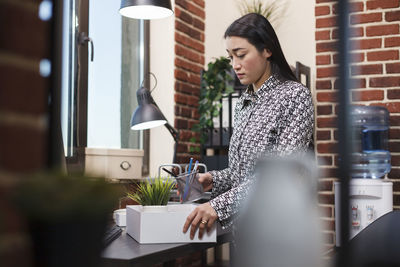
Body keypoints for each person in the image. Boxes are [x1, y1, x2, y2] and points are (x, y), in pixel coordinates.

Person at [183, 13, 314, 240]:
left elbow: (279, 177)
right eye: (230, 57)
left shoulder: (295, 96)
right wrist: (212, 180)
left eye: (241, 55)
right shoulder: (244, 102)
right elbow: (242, 174)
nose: (235, 65)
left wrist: (217, 206)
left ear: (267, 50)